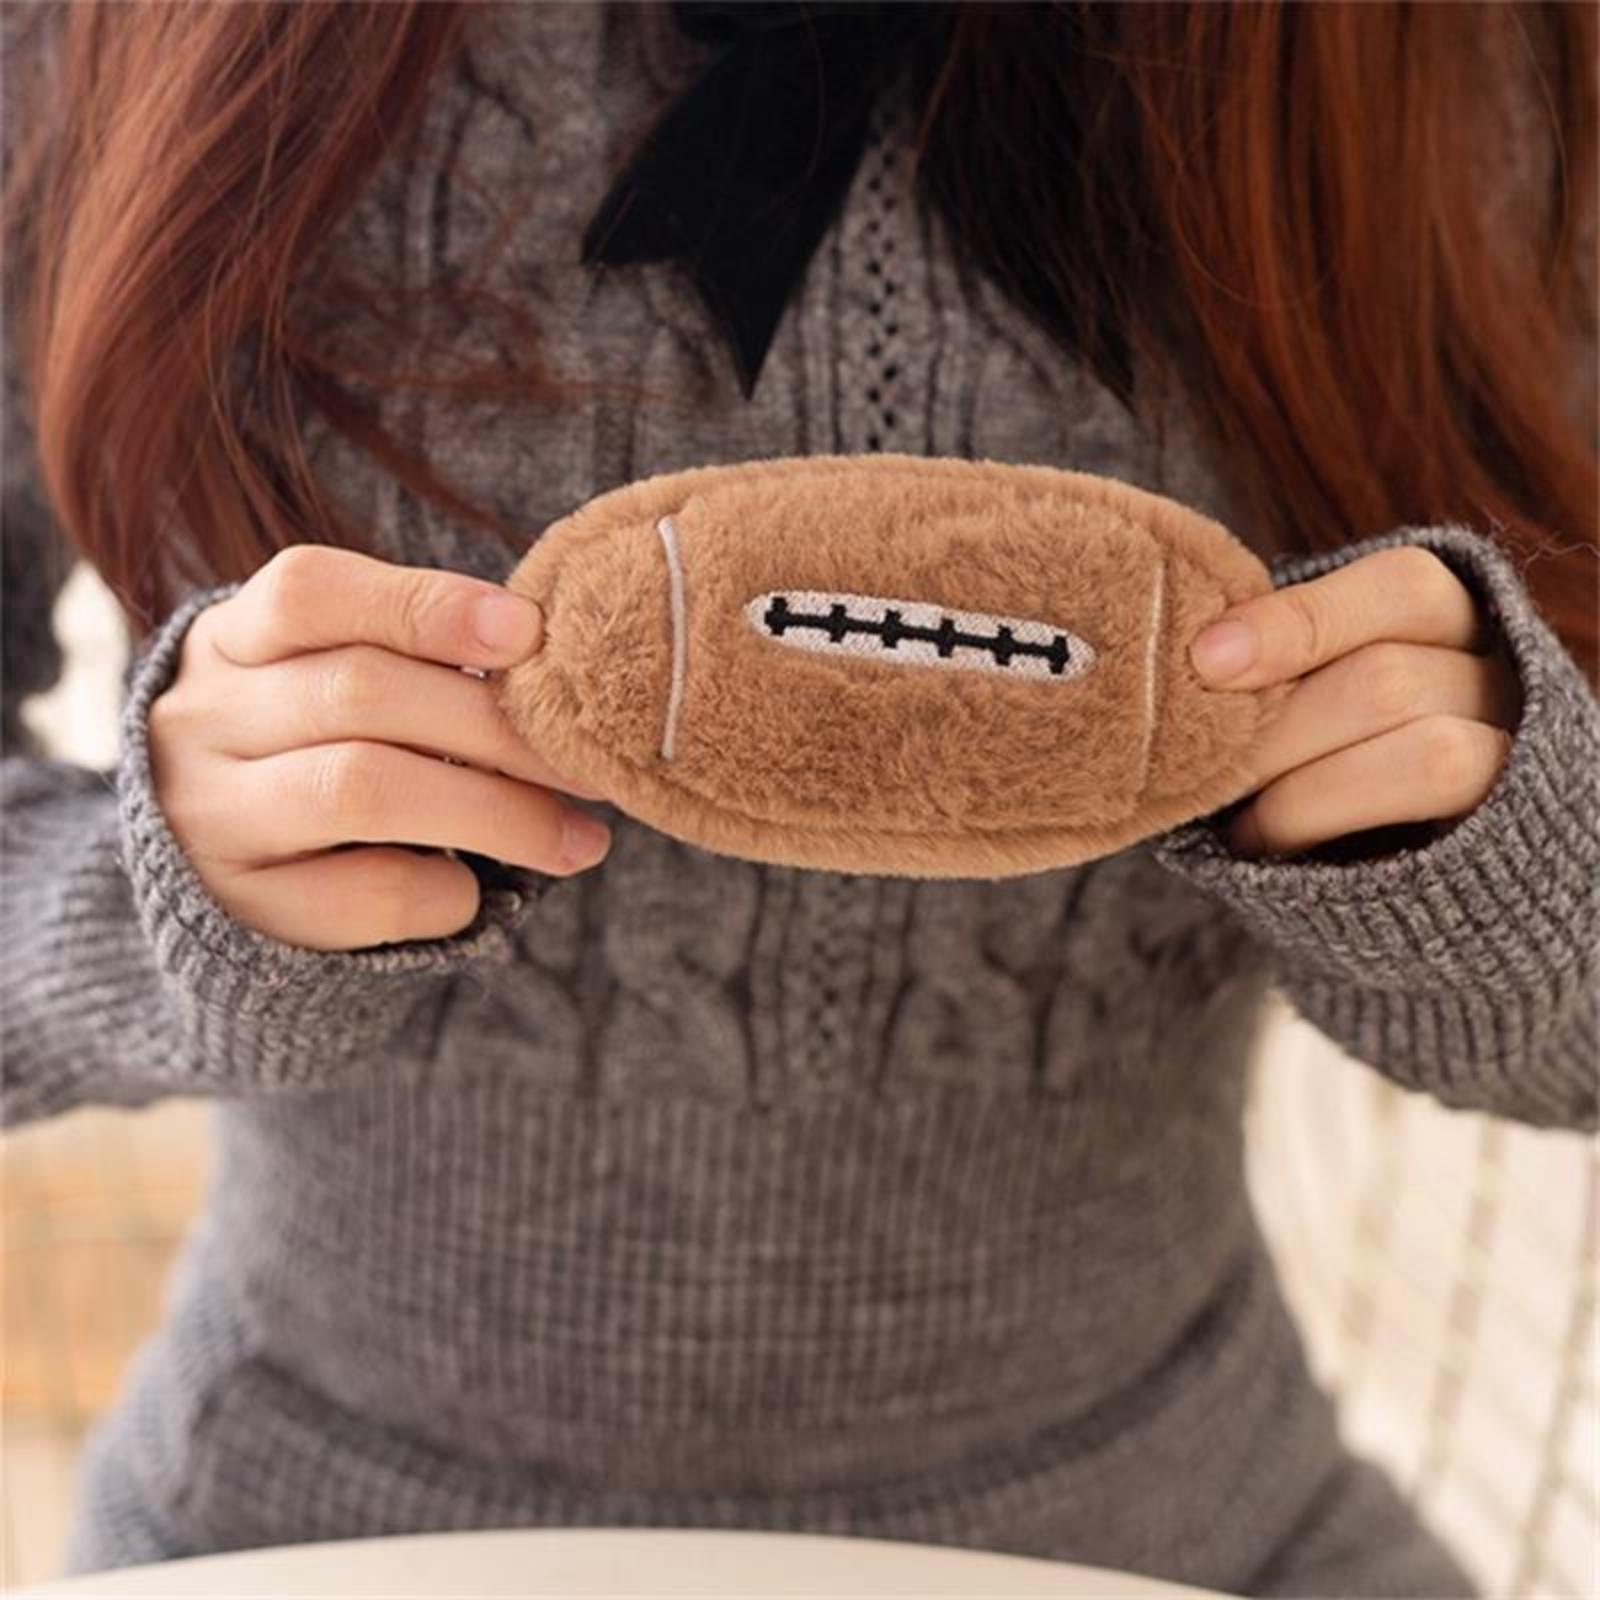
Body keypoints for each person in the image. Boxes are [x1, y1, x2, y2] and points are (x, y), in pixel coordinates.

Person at [3, 4, 1595, 1595]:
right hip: (297, 1533)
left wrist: (1493, 860)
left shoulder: (1446, 62)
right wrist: (150, 904)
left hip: (1204, 1531)